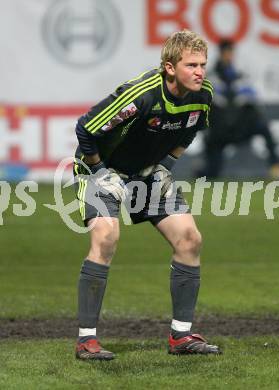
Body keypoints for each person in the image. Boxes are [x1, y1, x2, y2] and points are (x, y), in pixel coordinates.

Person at [73, 29, 220, 360]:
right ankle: (86, 341)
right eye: (191, 65)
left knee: (189, 238)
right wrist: (99, 171)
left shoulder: (203, 94)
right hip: (102, 170)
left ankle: (181, 336)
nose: (200, 72)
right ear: (170, 67)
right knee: (106, 237)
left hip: (147, 174)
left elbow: (193, 127)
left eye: (203, 65)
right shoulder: (142, 95)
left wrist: (166, 164)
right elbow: (85, 128)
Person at [200, 39, 279, 179]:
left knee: (263, 127)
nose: (229, 55)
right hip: (220, 130)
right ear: (220, 53)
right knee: (212, 173)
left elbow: (252, 99)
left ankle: (275, 166)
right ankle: (202, 170)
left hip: (240, 126)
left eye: (231, 52)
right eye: (226, 52)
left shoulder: (240, 75)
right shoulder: (211, 77)